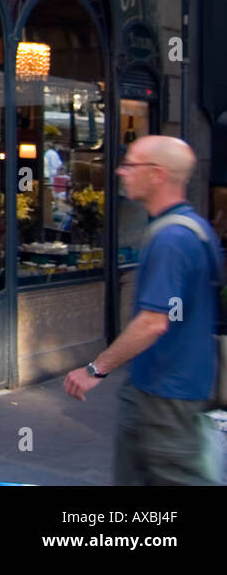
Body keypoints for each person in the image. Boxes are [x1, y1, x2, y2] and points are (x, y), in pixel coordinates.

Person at [64, 136, 223, 485]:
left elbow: (153, 322)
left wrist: (95, 368)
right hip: (170, 385)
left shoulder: (172, 240)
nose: (121, 171)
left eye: (130, 164)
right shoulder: (194, 229)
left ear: (157, 174)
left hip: (165, 394)